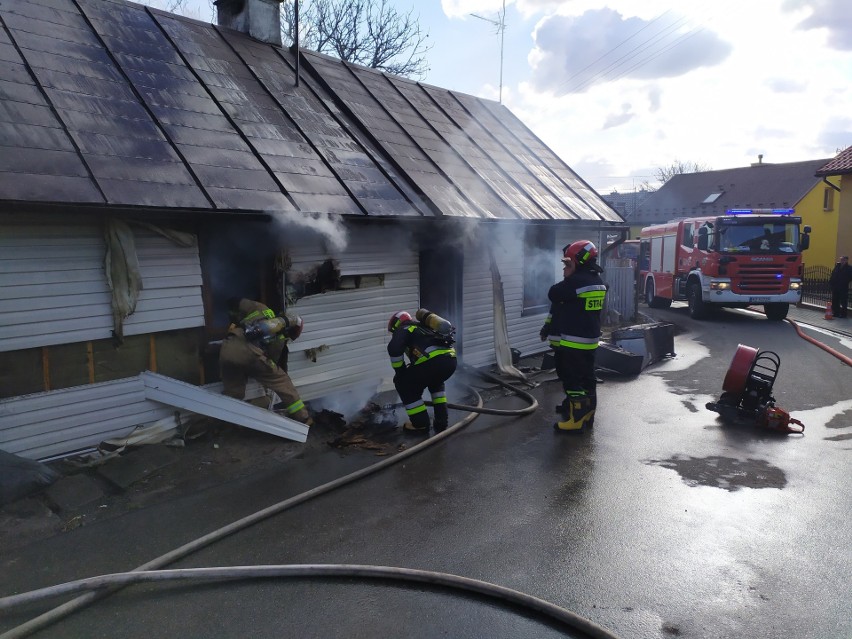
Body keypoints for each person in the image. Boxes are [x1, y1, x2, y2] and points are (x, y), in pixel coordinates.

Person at [540, 240, 608, 431]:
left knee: (571, 379)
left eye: (567, 264)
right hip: (589, 341)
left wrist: (570, 278)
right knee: (587, 378)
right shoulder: (597, 282)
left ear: (580, 262)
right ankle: (588, 413)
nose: (564, 269)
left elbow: (553, 293)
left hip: (573, 343)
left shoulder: (576, 283)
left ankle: (576, 420)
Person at [219, 297, 312, 425]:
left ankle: (215, 422)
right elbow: (270, 362)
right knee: (281, 380)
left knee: (233, 393)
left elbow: (238, 302)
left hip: (227, 348)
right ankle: (303, 418)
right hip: (248, 353)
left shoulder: (261, 308)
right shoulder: (279, 337)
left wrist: (233, 320)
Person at [387, 309, 457, 434]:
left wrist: (400, 371)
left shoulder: (405, 328)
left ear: (396, 324)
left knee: (403, 383)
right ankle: (441, 422)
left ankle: (420, 424)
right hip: (450, 361)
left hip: (432, 363)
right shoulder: (423, 328)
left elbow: (394, 348)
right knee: (436, 382)